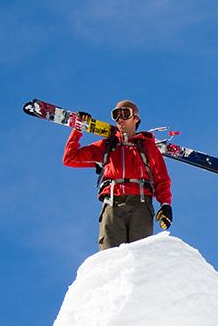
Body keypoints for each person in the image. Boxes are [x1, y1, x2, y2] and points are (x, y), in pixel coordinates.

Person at [63, 100, 173, 250]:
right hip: (112, 204)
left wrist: (165, 204)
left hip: (140, 203)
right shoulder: (107, 145)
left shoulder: (147, 146)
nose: (120, 119)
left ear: (136, 119)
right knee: (111, 256)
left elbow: (162, 179)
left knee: (141, 255)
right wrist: (78, 129)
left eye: (125, 114)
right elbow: (70, 158)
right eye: (116, 115)